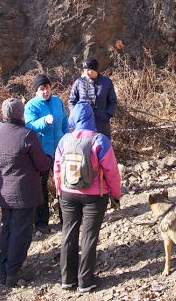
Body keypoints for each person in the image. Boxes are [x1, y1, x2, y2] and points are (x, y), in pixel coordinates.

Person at [54, 102, 122, 294]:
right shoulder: (100, 140)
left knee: (68, 232)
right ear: (91, 118)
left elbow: (57, 168)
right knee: (89, 236)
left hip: (67, 193)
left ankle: (67, 279)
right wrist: (115, 195)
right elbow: (112, 172)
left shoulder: (64, 140)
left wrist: (59, 190)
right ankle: (85, 281)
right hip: (95, 195)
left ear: (73, 118)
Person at [0, 98, 50, 287]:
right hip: (24, 192)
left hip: (3, 191)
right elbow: (42, 164)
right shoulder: (27, 135)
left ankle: (4, 270)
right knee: (21, 233)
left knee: (7, 230)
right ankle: (13, 272)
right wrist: (49, 158)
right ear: (21, 114)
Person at [25, 73, 69, 233]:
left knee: (63, 183)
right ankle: (41, 222)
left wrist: (66, 135)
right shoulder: (31, 105)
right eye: (42, 89)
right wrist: (43, 121)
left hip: (60, 148)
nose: (45, 92)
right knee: (41, 185)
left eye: (48, 88)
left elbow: (64, 120)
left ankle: (66, 218)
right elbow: (29, 124)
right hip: (42, 151)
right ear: (36, 91)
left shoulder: (57, 102)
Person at [68, 58, 117, 138]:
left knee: (102, 146)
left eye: (89, 70)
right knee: (84, 147)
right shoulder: (79, 82)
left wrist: (107, 115)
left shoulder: (107, 82)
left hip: (102, 124)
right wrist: (76, 115)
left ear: (95, 70)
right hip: (83, 123)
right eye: (84, 70)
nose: (86, 72)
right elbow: (72, 101)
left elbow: (112, 101)